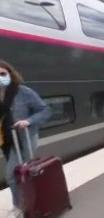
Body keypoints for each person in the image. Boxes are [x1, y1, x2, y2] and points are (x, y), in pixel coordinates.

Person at [0, 60, 51, 217]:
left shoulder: (22, 91)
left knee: (14, 174)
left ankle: (22, 207)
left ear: (10, 74)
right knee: (21, 173)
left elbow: (45, 110)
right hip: (6, 141)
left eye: (3, 74)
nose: (0, 78)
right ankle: (28, 202)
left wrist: (28, 121)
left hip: (24, 139)